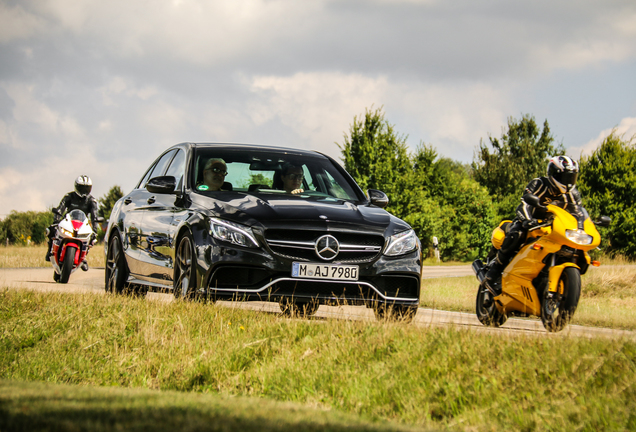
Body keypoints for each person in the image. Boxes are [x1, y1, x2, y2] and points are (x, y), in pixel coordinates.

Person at [484, 156, 582, 296]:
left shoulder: (572, 195)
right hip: (531, 223)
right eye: (565, 177)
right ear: (554, 174)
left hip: (553, 230)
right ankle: (493, 273)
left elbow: (579, 213)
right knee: (517, 234)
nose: (569, 182)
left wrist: (584, 227)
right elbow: (524, 203)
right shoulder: (539, 184)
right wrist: (527, 221)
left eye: (571, 177)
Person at [45, 175, 99, 267]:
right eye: (82, 188)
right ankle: (50, 250)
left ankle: (83, 258)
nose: (84, 191)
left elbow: (95, 216)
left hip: (83, 223)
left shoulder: (92, 200)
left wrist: (95, 230)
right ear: (76, 186)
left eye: (87, 188)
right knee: (51, 230)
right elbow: (60, 209)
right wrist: (56, 221)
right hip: (68, 220)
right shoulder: (69, 196)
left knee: (91, 238)